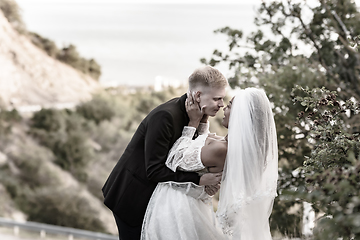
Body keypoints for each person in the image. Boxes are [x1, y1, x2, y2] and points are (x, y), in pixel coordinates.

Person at [102, 66, 228, 240]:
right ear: (198, 96)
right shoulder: (166, 117)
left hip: (159, 198)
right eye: (217, 99)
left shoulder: (196, 116)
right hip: (133, 196)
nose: (221, 104)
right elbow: (154, 170)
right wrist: (198, 180)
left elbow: (189, 154)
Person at [141, 88, 278, 240]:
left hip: (179, 208)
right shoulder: (227, 144)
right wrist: (204, 121)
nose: (224, 108)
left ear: (241, 116)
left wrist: (193, 123)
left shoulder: (221, 149)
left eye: (230, 106)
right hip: (187, 203)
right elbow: (200, 149)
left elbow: (174, 159)